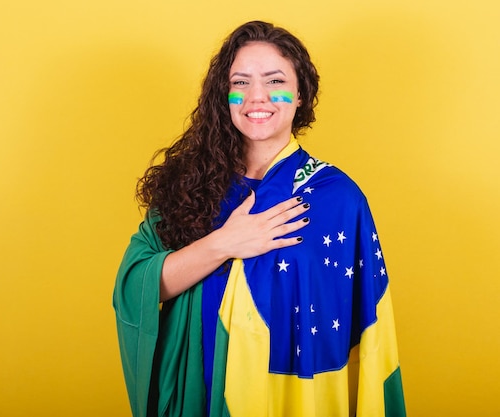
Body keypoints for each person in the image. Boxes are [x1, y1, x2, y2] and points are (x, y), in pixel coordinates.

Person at [113, 21, 405, 417]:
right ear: (225, 95)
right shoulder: (188, 186)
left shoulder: (339, 199)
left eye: (275, 80)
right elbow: (137, 287)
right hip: (200, 392)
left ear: (300, 94)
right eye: (241, 82)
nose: (257, 97)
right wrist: (225, 243)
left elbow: (365, 328)